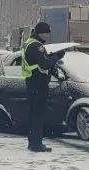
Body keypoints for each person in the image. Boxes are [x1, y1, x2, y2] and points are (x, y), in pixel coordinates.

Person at [21, 21, 63, 153]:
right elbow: (44, 64)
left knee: (33, 114)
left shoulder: (29, 43)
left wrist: (50, 57)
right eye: (47, 33)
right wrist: (57, 57)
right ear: (41, 33)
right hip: (38, 83)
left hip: (32, 82)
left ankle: (32, 142)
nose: (48, 36)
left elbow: (39, 60)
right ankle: (36, 145)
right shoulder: (36, 46)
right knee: (38, 115)